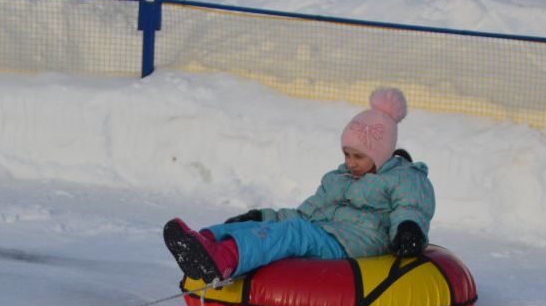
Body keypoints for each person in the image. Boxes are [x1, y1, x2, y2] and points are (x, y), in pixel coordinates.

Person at [163, 87, 435, 282]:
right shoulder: (338, 179)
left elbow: (411, 207)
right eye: (346, 154)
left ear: (381, 153)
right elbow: (306, 214)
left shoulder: (403, 177)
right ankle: (202, 243)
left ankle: (224, 259)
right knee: (270, 226)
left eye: (359, 157)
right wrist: (262, 216)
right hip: (324, 232)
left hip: (353, 244)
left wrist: (408, 230)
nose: (350, 163)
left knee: (294, 232)